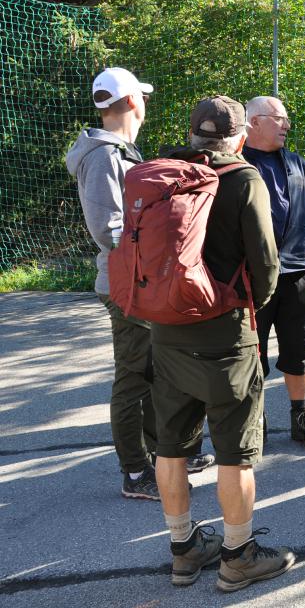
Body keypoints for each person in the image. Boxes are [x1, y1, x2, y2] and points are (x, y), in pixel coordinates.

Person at [152, 95, 295, 591]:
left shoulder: (165, 172)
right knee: (235, 453)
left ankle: (183, 550)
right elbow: (266, 263)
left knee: (171, 447)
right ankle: (238, 556)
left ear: (193, 135)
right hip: (225, 335)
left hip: (167, 330)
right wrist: (249, 301)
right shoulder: (243, 178)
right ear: (239, 137)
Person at [65, 67, 213, 501]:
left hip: (141, 281)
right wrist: (155, 246)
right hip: (125, 285)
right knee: (133, 377)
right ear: (132, 101)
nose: (145, 105)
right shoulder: (103, 156)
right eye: (143, 98)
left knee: (152, 370)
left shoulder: (120, 151)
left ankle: (163, 454)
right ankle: (135, 471)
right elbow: (107, 228)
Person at [243, 96, 305, 452]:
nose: (287, 125)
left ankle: (300, 418)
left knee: (298, 350)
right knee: (253, 355)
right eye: (279, 118)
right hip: (252, 280)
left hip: (296, 275)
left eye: (286, 119)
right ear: (254, 122)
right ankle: (255, 421)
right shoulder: (235, 165)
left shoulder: (297, 164)